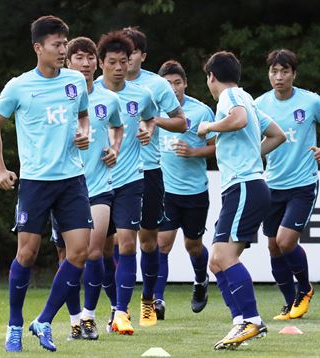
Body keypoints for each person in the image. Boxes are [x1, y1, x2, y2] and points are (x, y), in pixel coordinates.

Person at [0, 15, 92, 352]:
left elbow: (83, 115)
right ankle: (14, 325)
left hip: (72, 181)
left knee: (78, 253)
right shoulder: (19, 86)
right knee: (27, 253)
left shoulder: (75, 81)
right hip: (35, 182)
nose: (63, 50)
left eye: (65, 43)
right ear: (38, 48)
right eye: (57, 45)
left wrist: (85, 131)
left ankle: (43, 320)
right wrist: (1, 170)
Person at [197, 51, 286, 350]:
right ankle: (240, 322)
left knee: (224, 258)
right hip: (248, 185)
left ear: (211, 76)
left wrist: (209, 127)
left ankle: (251, 320)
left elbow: (239, 120)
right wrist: (252, 156)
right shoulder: (247, 95)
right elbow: (277, 135)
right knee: (216, 262)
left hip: (245, 186)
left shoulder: (229, 98)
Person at [255, 49, 320, 320]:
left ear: (294, 74)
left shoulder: (311, 101)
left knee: (285, 240)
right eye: (274, 71)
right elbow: (250, 139)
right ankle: (291, 302)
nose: (278, 77)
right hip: (271, 185)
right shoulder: (259, 105)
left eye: (284, 71)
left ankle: (304, 289)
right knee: (272, 246)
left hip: (303, 183)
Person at [48, 36, 124, 341]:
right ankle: (75, 319)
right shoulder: (57, 98)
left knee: (93, 251)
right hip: (63, 188)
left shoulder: (109, 100)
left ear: (97, 62)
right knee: (66, 259)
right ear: (69, 63)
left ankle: (90, 317)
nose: (85, 63)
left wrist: (115, 147)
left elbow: (118, 126)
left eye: (90, 57)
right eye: (79, 57)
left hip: (99, 187)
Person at [121, 27, 187, 327]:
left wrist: (152, 120)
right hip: (111, 174)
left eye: (131, 53)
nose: (125, 60)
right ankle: (118, 309)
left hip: (148, 172)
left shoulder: (157, 85)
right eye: (120, 54)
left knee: (148, 243)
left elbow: (181, 122)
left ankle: (147, 300)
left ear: (142, 56)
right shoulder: (100, 85)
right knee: (117, 243)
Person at [95, 31, 157, 335]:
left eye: (124, 61)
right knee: (102, 250)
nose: (119, 67)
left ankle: (122, 312)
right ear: (100, 63)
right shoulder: (88, 94)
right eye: (113, 62)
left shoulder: (141, 95)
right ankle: (114, 304)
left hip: (131, 179)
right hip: (97, 183)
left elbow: (150, 118)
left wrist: (147, 128)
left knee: (127, 244)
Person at [153, 60, 216, 319]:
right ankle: (156, 300)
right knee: (162, 244)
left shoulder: (201, 112)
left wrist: (194, 152)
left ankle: (201, 281)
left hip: (194, 192)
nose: (173, 88)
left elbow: (217, 147)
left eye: (177, 83)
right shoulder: (153, 111)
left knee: (193, 245)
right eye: (167, 84)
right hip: (165, 192)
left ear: (186, 84)